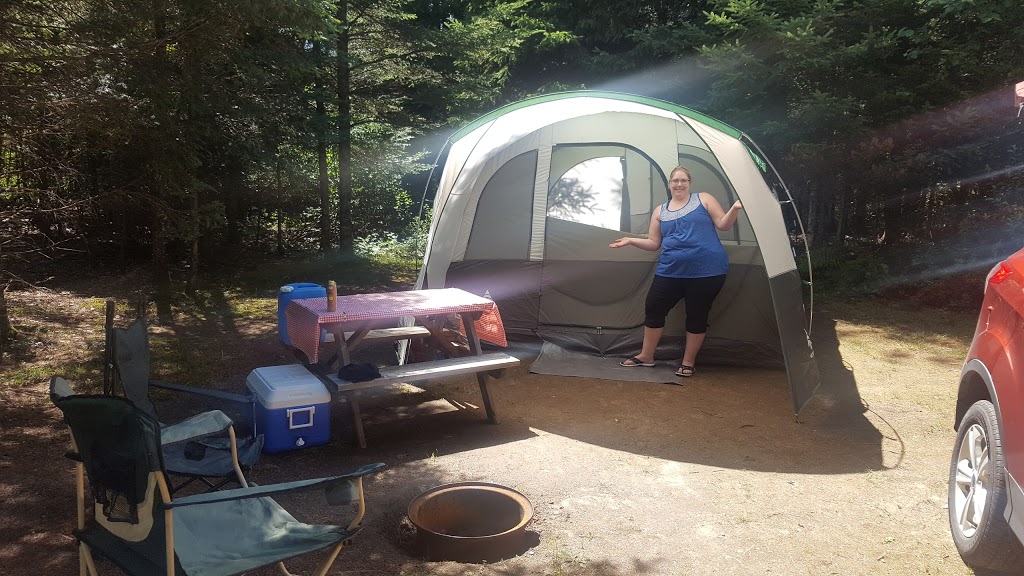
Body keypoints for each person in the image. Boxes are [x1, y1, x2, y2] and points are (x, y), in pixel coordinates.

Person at [609, 166, 743, 378]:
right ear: (669, 184)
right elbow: (654, 243)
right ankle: (647, 356)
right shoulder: (660, 211)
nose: (679, 184)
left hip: (707, 271)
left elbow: (723, 225)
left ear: (690, 183)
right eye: (675, 181)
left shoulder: (704, 199)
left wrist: (734, 208)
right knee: (654, 307)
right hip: (670, 270)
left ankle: (688, 362)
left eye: (683, 180)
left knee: (697, 315)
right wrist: (631, 240)